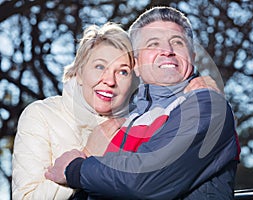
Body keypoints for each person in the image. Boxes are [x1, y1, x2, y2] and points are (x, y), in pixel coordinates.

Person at [45, 6, 240, 199]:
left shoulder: (207, 105)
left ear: (192, 56)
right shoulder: (126, 117)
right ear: (136, 64)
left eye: (177, 42)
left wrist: (75, 169)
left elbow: (146, 180)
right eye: (153, 44)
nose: (167, 51)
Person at [12, 22, 138, 200]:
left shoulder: (140, 125)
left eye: (123, 72)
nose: (110, 80)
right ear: (79, 72)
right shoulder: (41, 115)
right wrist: (87, 155)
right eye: (100, 66)